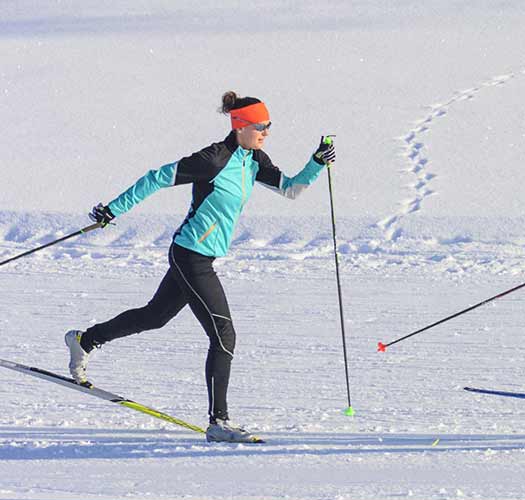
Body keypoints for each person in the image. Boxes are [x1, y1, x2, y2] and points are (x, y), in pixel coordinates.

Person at [64, 91, 336, 443]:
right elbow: (156, 177)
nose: (266, 133)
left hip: (200, 256)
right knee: (224, 335)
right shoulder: (213, 159)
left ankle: (85, 340)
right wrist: (112, 209)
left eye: (268, 127)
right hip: (190, 254)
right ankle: (218, 421)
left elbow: (290, 190)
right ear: (240, 126)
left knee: (154, 316)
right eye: (261, 127)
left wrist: (316, 162)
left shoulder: (253, 160)